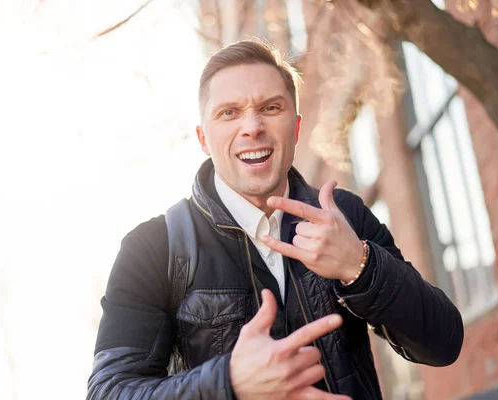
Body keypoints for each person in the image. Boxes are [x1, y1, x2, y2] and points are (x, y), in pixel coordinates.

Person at [87, 39, 463, 400]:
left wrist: (358, 266)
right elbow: (109, 392)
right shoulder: (153, 248)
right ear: (203, 139)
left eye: (270, 107)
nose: (251, 127)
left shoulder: (343, 217)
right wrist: (229, 383)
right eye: (229, 112)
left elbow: (443, 343)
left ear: (296, 128)